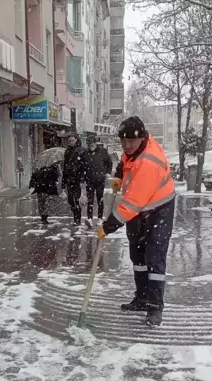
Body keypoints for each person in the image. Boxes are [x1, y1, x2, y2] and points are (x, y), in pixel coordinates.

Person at [97, 116, 175, 327]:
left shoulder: (148, 161)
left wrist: (108, 225)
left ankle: (155, 307)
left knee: (154, 256)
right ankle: (141, 298)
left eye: (131, 141)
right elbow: (125, 160)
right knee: (137, 253)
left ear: (141, 138)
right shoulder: (135, 149)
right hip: (140, 208)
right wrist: (120, 173)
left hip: (160, 208)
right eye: (123, 142)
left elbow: (131, 204)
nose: (127, 146)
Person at [62, 132, 92, 226]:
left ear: (76, 139)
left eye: (72, 140)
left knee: (77, 198)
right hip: (69, 178)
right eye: (69, 141)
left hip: (78, 178)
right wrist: (64, 180)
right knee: (71, 199)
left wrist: (83, 177)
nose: (70, 142)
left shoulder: (82, 150)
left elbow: (86, 165)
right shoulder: (67, 151)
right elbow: (65, 166)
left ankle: (77, 219)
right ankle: (75, 214)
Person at [85, 137, 113, 228]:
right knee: (90, 200)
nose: (91, 146)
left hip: (100, 180)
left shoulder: (103, 152)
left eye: (92, 144)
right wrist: (83, 177)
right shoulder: (86, 153)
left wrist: (108, 173)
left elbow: (109, 163)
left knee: (100, 199)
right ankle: (89, 218)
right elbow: (83, 166)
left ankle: (100, 218)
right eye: (89, 145)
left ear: (95, 143)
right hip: (89, 180)